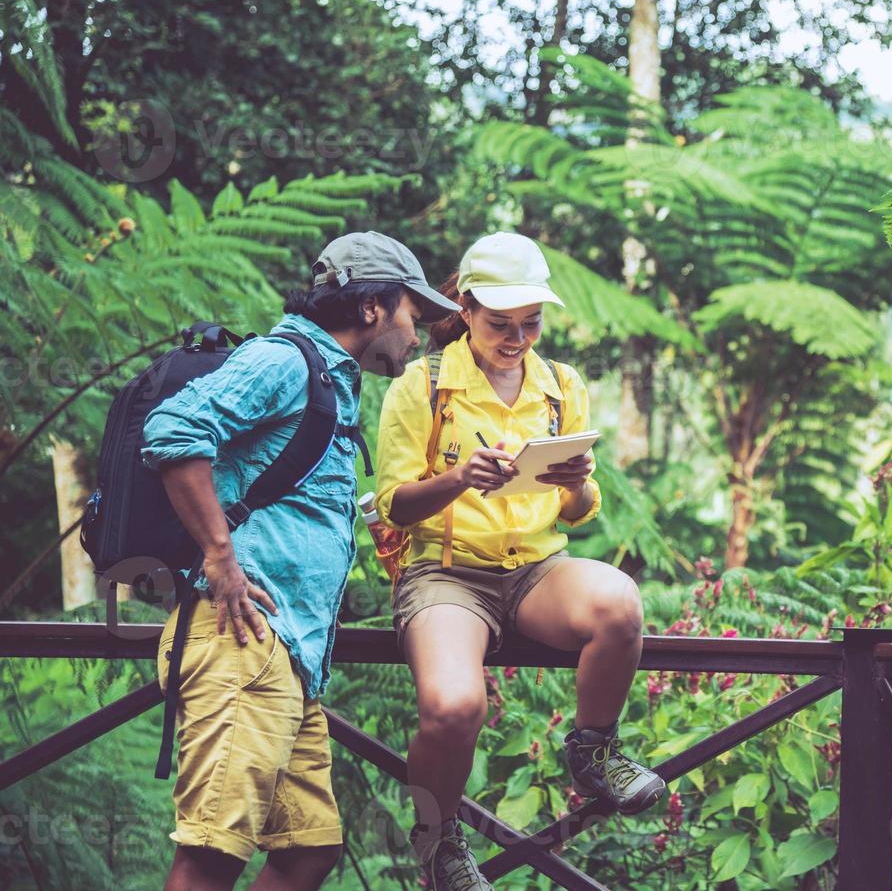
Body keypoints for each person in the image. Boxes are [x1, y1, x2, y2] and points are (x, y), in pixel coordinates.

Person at [144, 232, 457, 891]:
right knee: (210, 855)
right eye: (412, 316)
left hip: (289, 658)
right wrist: (221, 558)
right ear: (371, 307)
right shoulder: (284, 362)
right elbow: (172, 431)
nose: (417, 336)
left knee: (308, 850)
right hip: (240, 644)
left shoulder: (331, 380)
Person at [376, 232, 666, 891]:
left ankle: (592, 752)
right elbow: (394, 505)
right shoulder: (423, 387)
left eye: (530, 323)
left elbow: (577, 512)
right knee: (453, 706)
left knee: (619, 603)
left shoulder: (562, 386)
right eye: (501, 324)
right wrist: (459, 479)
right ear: (467, 309)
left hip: (536, 567)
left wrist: (573, 479)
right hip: (447, 573)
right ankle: (438, 836)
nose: (517, 338)